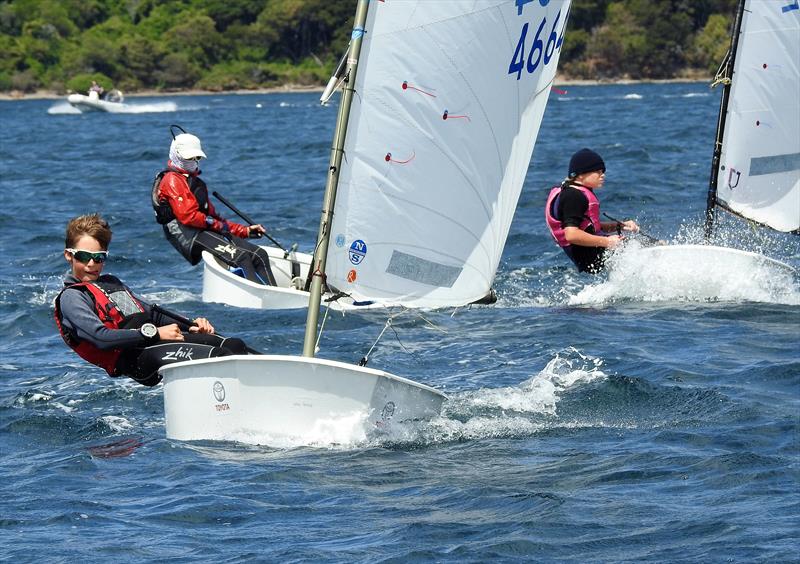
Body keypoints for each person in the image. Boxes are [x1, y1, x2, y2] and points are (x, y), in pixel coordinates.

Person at [54, 214, 255, 387]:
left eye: (98, 257)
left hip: (151, 342)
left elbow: (152, 314)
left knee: (234, 345)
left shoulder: (110, 284)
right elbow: (100, 337)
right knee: (220, 358)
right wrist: (154, 334)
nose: (91, 264)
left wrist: (192, 325)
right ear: (68, 256)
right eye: (83, 256)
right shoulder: (72, 297)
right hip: (134, 357)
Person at [151, 131, 277, 285]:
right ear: (176, 155)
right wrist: (216, 225)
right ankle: (259, 297)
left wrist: (245, 230)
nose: (194, 161)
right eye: (189, 158)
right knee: (242, 257)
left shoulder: (195, 183)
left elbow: (215, 219)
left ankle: (276, 294)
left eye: (197, 158)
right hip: (188, 235)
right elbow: (188, 217)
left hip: (203, 230)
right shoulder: (172, 180)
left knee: (259, 254)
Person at [545, 148, 639, 273]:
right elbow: (571, 235)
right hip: (590, 258)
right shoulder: (574, 196)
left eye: (603, 171)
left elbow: (589, 227)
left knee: (638, 244)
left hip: (591, 252)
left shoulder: (573, 191)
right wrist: (607, 241)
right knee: (639, 246)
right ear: (580, 174)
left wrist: (620, 225)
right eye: (598, 171)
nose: (603, 175)